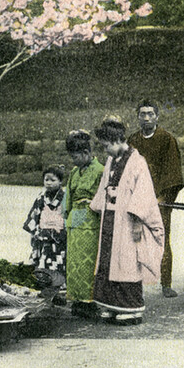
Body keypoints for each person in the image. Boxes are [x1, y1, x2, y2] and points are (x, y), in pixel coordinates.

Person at [90, 117, 164, 325]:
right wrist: (97, 204)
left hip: (128, 219)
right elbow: (105, 186)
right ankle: (110, 303)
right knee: (108, 259)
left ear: (116, 141)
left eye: (106, 146)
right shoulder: (112, 161)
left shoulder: (137, 162)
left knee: (127, 260)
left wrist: (138, 220)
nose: (106, 152)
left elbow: (143, 193)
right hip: (111, 217)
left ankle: (130, 307)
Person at [128, 99, 183, 298]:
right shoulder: (132, 141)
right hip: (137, 199)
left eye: (150, 114)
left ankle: (166, 283)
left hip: (160, 197)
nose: (146, 118)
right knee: (132, 239)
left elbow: (173, 172)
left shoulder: (166, 139)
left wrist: (163, 197)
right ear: (137, 117)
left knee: (162, 239)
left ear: (157, 116)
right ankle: (133, 282)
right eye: (142, 114)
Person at [63, 130, 105, 318]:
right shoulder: (74, 172)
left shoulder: (100, 171)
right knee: (74, 262)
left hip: (91, 220)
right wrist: (67, 215)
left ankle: (90, 301)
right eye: (72, 157)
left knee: (89, 263)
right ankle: (77, 300)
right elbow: (69, 197)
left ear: (87, 153)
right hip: (75, 220)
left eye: (77, 157)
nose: (74, 161)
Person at [23, 165, 67, 292]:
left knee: (58, 261)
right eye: (46, 180)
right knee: (42, 260)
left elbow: (68, 215)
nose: (48, 183)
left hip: (59, 237)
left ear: (60, 181)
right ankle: (43, 284)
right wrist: (35, 232)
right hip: (43, 236)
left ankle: (58, 285)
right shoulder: (41, 197)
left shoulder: (65, 198)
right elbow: (35, 214)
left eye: (52, 180)